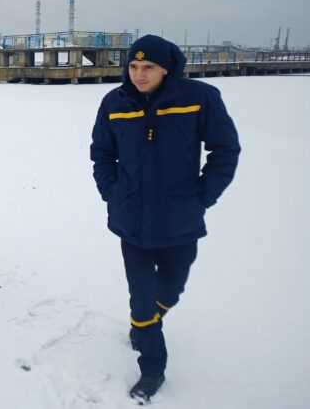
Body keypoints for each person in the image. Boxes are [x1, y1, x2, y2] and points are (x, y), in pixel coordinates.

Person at [90, 35, 240, 404]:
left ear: (166, 68)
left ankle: (146, 322)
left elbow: (225, 150)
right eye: (134, 66)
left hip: (180, 220)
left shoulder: (199, 98)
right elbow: (102, 155)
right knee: (142, 298)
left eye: (149, 68)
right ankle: (152, 368)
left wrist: (203, 196)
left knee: (170, 290)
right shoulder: (114, 102)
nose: (139, 75)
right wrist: (112, 192)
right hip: (132, 221)